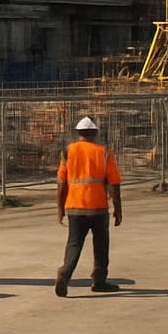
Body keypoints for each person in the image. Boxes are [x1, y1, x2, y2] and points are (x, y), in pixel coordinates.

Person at [54, 115, 123, 296]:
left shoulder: (68, 151)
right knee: (101, 244)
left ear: (78, 133)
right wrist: (118, 209)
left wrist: (60, 208)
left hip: (74, 207)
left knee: (74, 243)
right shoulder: (104, 152)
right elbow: (113, 183)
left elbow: (61, 183)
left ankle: (65, 273)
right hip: (98, 207)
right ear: (95, 133)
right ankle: (99, 280)